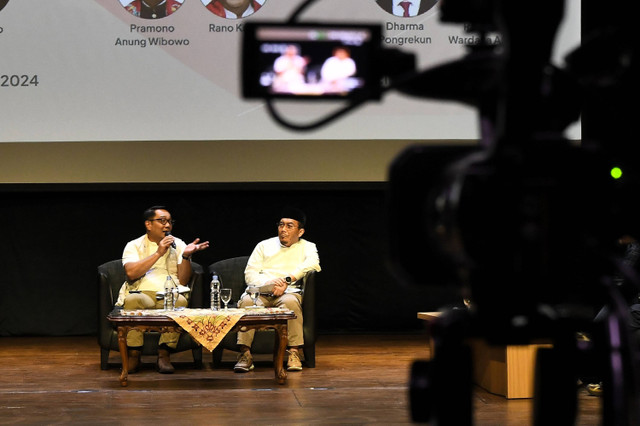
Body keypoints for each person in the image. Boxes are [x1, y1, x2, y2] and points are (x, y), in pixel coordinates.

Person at [115, 206, 209, 374]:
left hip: (170, 293)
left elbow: (183, 280)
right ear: (148, 224)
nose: (167, 226)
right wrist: (159, 252)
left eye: (169, 222)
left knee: (180, 301)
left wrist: (186, 256)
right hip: (143, 292)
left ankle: (164, 354)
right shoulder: (134, 245)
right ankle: (134, 354)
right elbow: (131, 273)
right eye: (162, 221)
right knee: (132, 301)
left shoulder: (178, 244)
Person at [234, 207, 321, 373]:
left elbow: (313, 264)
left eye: (289, 226)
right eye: (281, 225)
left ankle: (294, 352)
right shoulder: (263, 245)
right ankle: (245, 353)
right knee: (246, 301)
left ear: (300, 231)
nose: (283, 229)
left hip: (287, 292)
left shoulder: (308, 247)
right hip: (261, 291)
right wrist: (269, 283)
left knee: (291, 303)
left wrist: (287, 280)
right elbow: (250, 273)